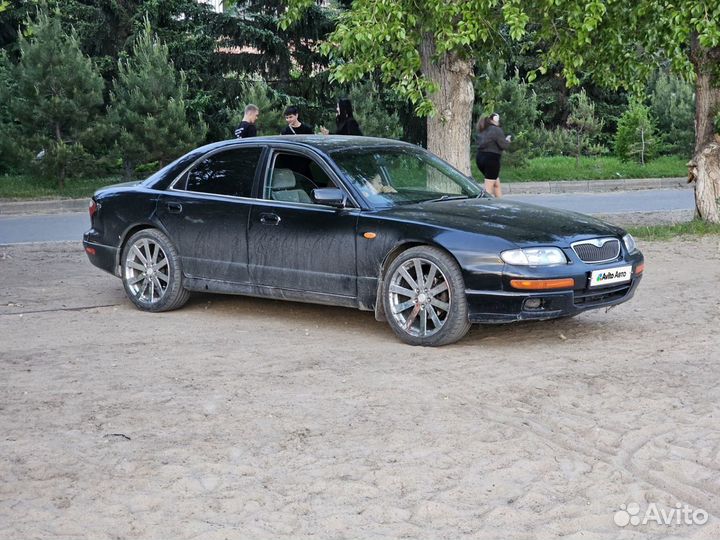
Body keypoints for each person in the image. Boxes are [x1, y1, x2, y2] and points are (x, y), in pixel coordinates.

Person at [475, 112, 511, 197]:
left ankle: (500, 205)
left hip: (480, 158)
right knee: (488, 189)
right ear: (494, 120)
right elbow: (503, 145)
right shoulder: (496, 130)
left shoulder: (483, 130)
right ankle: (484, 206)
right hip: (491, 159)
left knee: (496, 184)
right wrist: (508, 141)